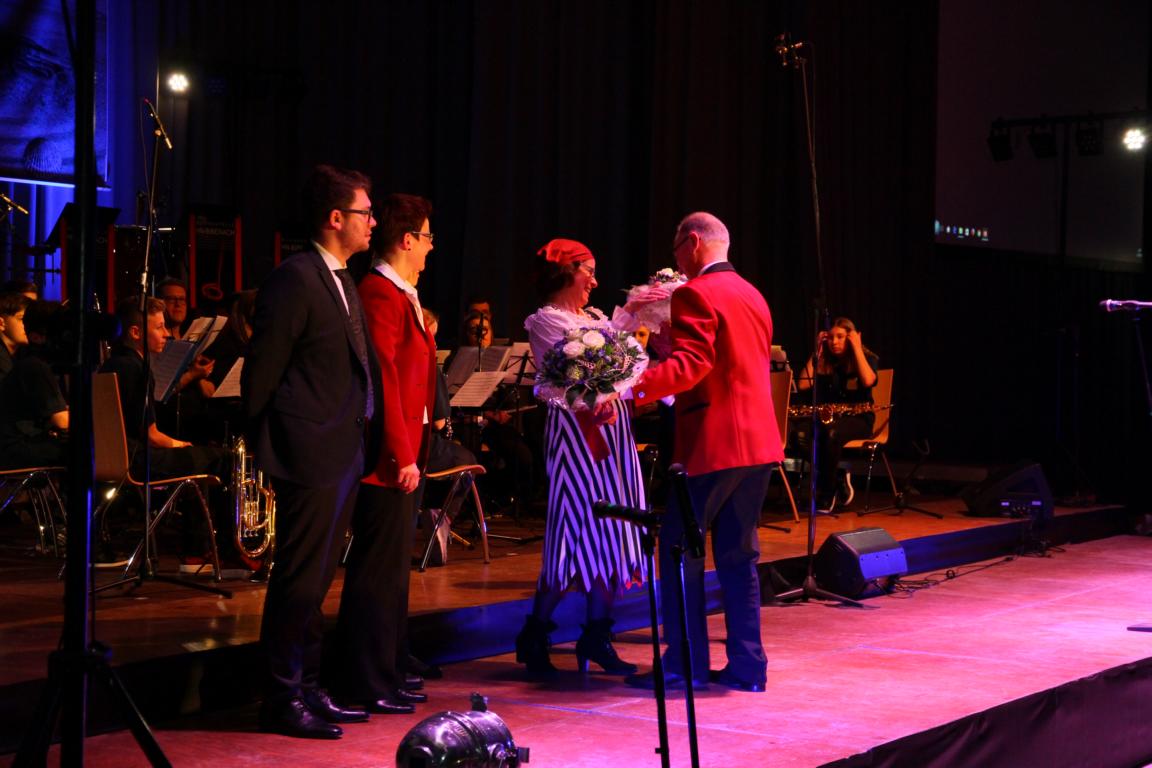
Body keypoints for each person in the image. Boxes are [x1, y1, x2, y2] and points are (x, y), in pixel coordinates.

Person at [241, 164, 378, 739]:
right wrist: (270, 446)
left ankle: (309, 686)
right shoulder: (295, 278)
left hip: (343, 446)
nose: (373, 222)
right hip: (310, 449)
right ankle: (281, 695)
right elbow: (262, 372)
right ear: (336, 217)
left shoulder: (342, 278)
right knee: (298, 579)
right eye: (366, 212)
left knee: (318, 579)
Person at [625, 212, 783, 693]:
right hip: (760, 442)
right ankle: (748, 668)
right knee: (738, 556)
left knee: (676, 550)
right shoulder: (753, 293)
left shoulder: (695, 293)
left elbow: (693, 365)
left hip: (715, 443)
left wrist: (630, 389)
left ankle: (684, 664)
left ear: (692, 242)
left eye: (677, 250)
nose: (676, 261)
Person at [517, 237, 646, 679]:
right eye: (588, 270)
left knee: (614, 529)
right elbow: (565, 379)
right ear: (566, 272)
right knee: (573, 532)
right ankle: (535, 634)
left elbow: (629, 362)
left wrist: (635, 318)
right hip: (577, 437)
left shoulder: (595, 319)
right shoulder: (547, 321)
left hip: (613, 435)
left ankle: (596, 634)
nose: (594, 280)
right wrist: (600, 393)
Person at [334, 192, 436, 715]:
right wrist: (401, 454)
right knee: (377, 573)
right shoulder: (379, 292)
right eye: (428, 237)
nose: (432, 247)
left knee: (394, 572)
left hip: (408, 449)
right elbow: (385, 380)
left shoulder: (402, 292)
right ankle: (365, 678)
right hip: (388, 459)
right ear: (408, 240)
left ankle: (389, 668)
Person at [794, 317, 878, 511]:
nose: (834, 342)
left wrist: (856, 347)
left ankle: (826, 493)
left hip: (859, 419)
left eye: (840, 337)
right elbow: (803, 384)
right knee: (799, 435)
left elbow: (867, 381)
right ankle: (836, 474)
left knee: (831, 433)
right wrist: (817, 350)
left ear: (851, 337)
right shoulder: (825, 360)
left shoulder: (867, 358)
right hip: (829, 418)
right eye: (830, 337)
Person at [0, 296, 68, 468]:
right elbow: (61, 420)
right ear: (37, 337)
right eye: (61, 333)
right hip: (16, 448)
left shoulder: (35, 363)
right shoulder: (35, 365)